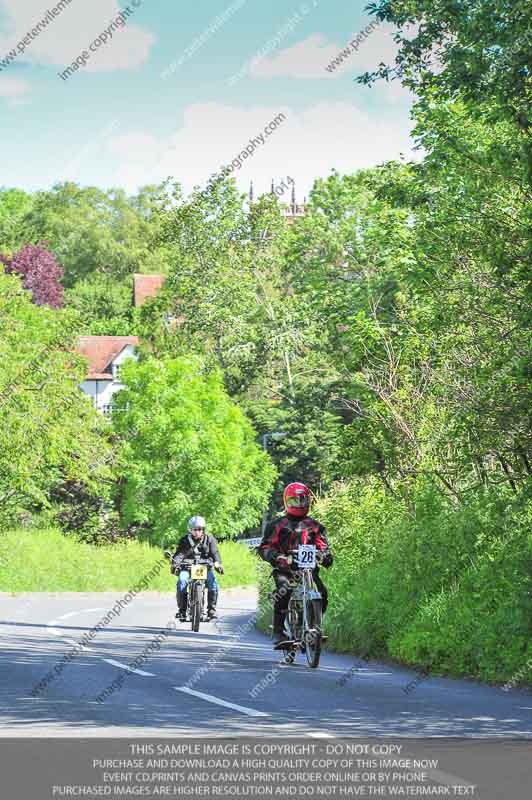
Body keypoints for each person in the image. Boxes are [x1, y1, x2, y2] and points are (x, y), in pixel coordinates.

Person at [258, 482, 333, 648]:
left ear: (308, 502)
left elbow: (323, 547)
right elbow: (265, 547)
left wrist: (325, 556)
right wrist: (278, 557)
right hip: (285, 569)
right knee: (284, 591)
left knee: (322, 593)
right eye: (294, 501)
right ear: (286, 502)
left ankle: (314, 625)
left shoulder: (315, 526)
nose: (299, 504)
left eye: (302, 500)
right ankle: (278, 630)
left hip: (308, 570)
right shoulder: (277, 525)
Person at [171, 515, 224, 622]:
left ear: (203, 530)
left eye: (199, 529)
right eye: (195, 529)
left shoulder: (210, 539)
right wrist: (175, 563)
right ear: (190, 530)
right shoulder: (185, 540)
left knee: (213, 583)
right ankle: (182, 611)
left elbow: (215, 553)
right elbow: (179, 554)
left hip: (204, 567)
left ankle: (211, 611)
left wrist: (218, 564)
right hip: (188, 567)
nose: (197, 532)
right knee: (181, 581)